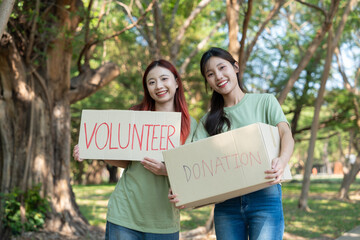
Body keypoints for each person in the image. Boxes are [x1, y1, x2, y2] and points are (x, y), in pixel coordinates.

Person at [73, 59, 197, 240]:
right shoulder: (135, 116)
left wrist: (166, 171)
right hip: (124, 215)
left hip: (164, 221)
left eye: (164, 79)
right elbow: (124, 160)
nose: (159, 86)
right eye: (151, 82)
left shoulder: (190, 125)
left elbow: (193, 172)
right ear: (147, 88)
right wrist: (92, 150)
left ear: (176, 82)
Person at [192, 47, 294, 240]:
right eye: (211, 74)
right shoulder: (208, 121)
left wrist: (282, 160)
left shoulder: (265, 101)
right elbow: (192, 161)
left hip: (265, 196)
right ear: (208, 81)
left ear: (235, 67)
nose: (219, 76)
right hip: (226, 204)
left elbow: (285, 133)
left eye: (222, 68)